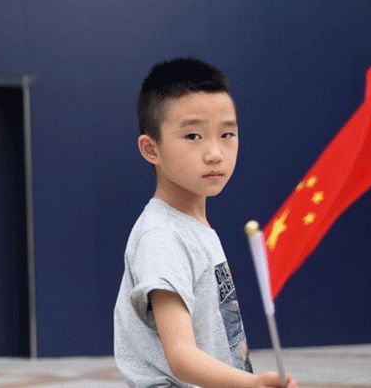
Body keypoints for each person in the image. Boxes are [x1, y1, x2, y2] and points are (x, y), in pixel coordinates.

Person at [113, 58, 299, 388]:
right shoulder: (162, 236)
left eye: (227, 134)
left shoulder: (192, 226)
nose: (215, 152)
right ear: (150, 148)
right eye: (194, 136)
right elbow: (181, 355)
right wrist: (252, 384)